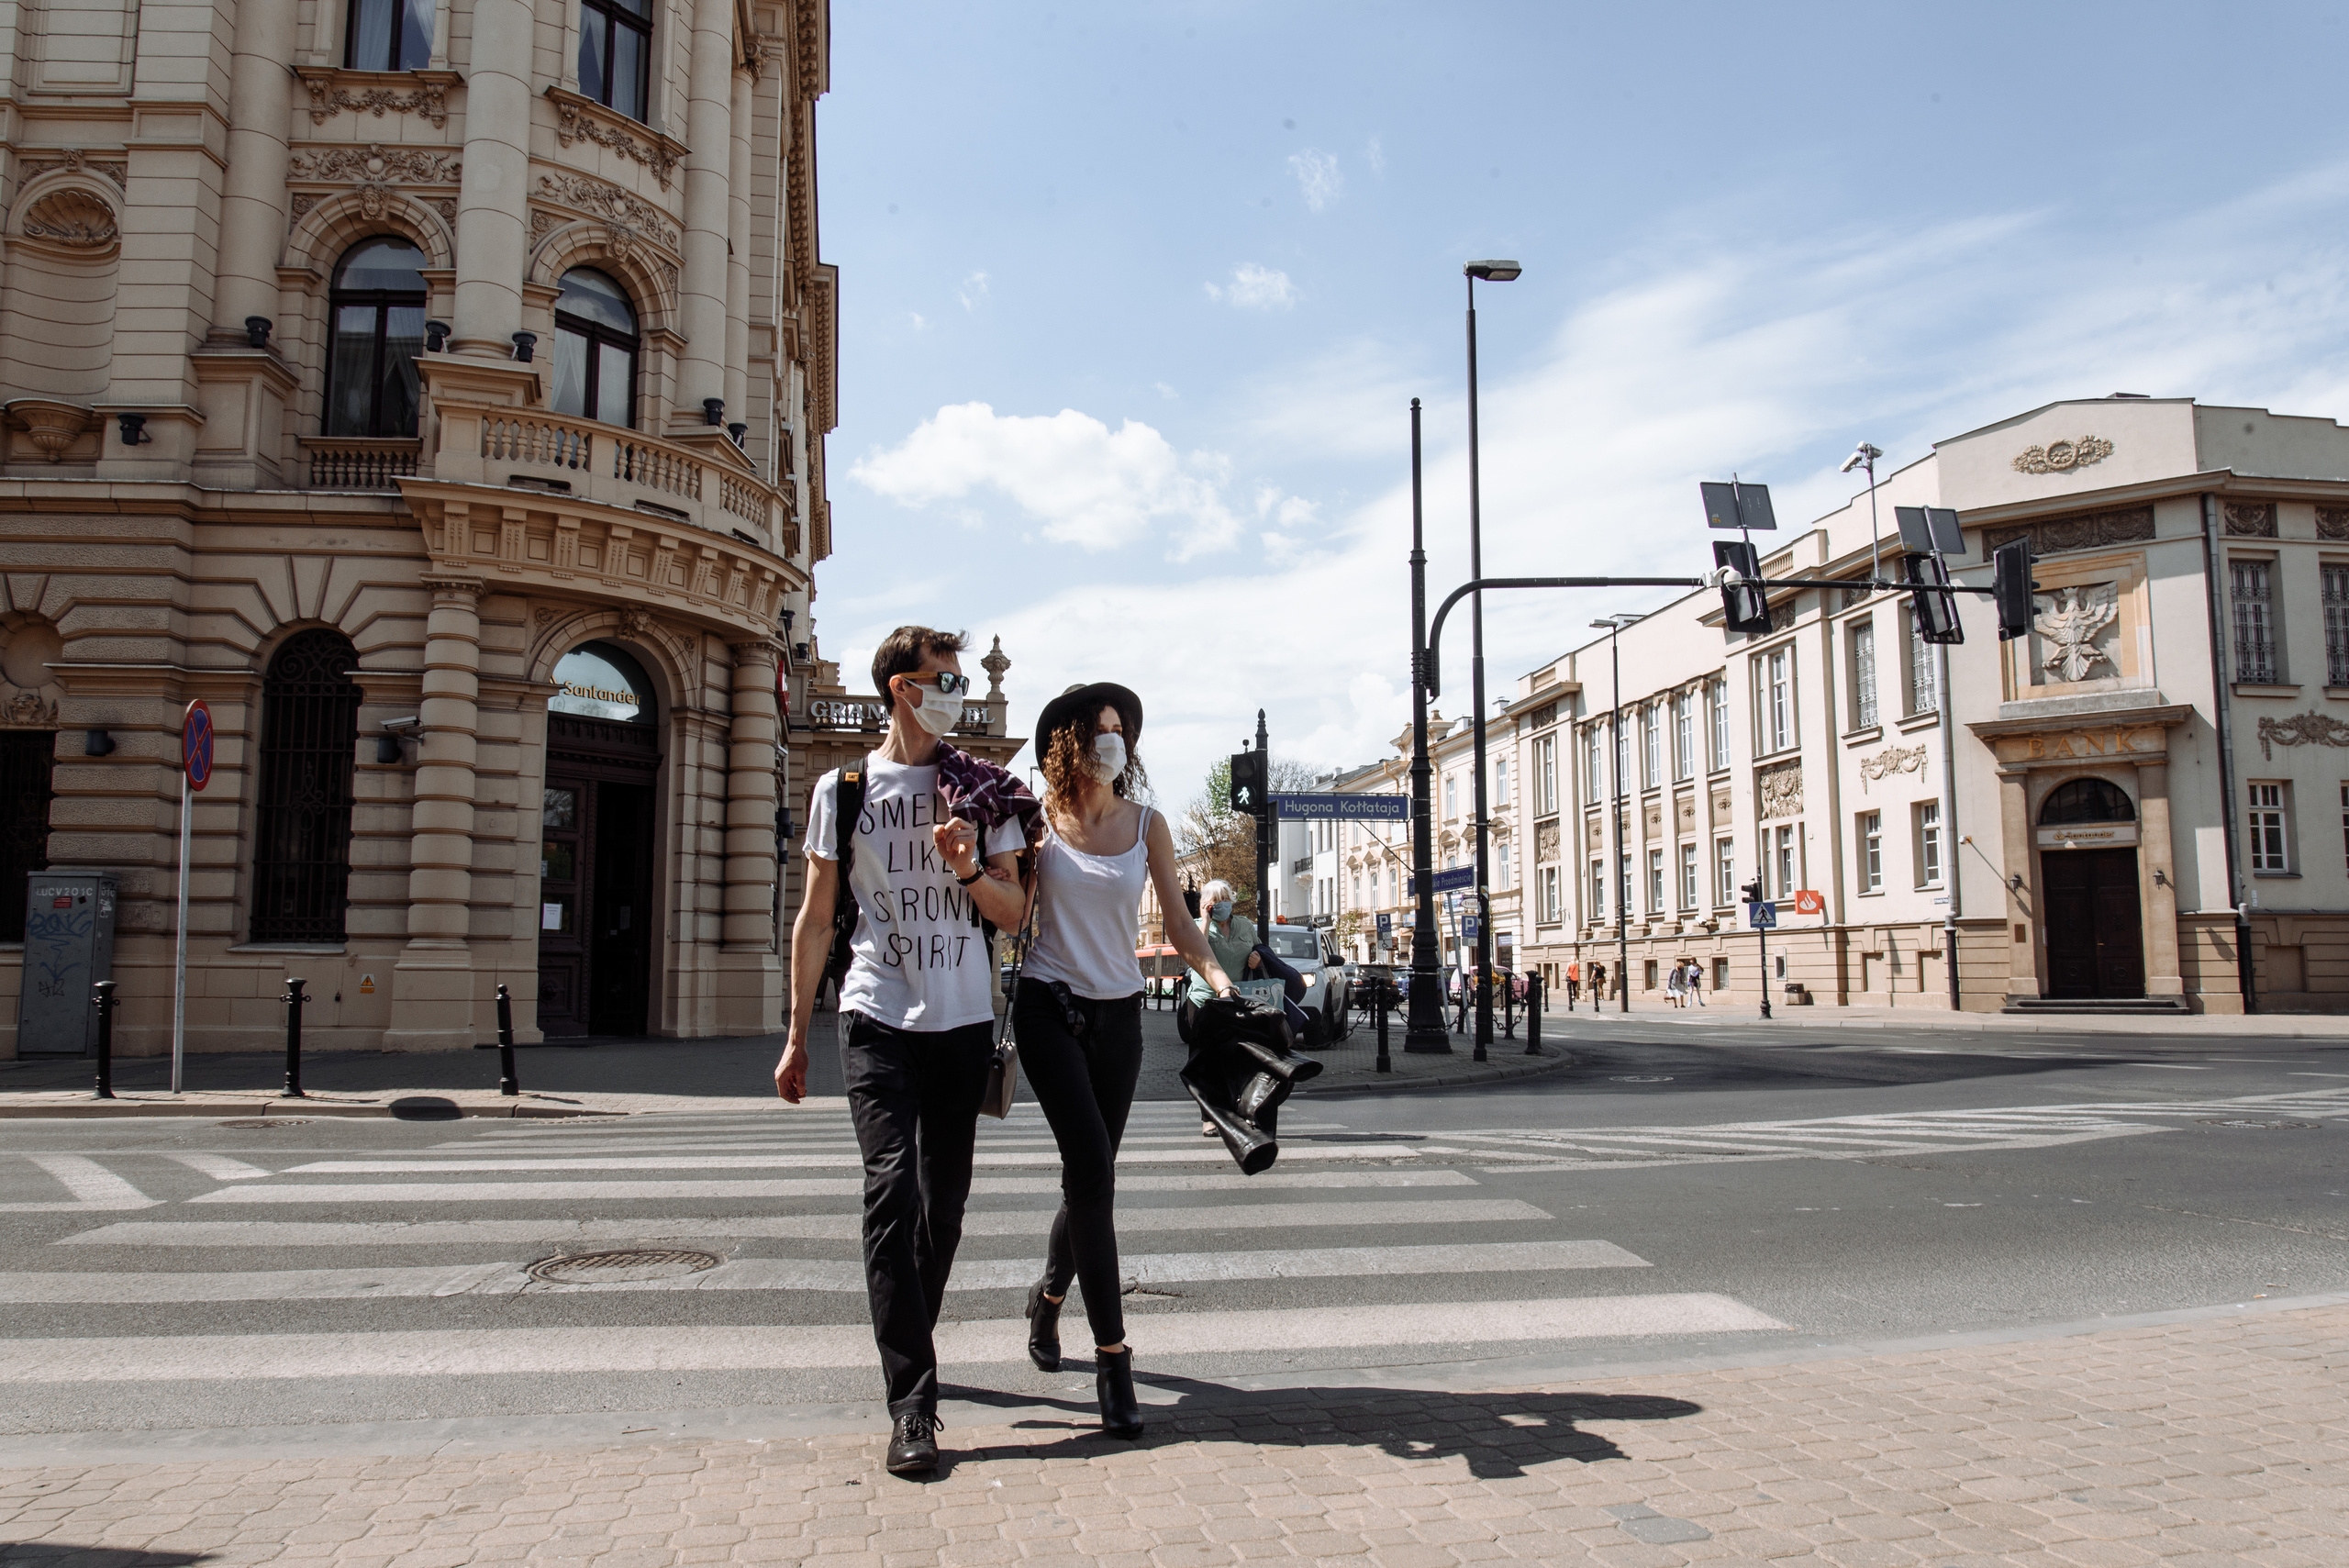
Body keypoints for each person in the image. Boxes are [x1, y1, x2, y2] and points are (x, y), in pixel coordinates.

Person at [772, 626, 1035, 1479]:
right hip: (874, 1012)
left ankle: (910, 1339)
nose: (955, 691)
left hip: (960, 1020)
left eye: (961, 679)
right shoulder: (841, 789)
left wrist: (966, 867)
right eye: (942, 678)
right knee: (890, 1191)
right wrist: (792, 1034)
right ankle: (913, 1402)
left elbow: (1014, 913)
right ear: (900, 688)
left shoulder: (984, 787)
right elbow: (816, 918)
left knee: (943, 1208)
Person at [1016, 683, 1238, 1439]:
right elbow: (1012, 909)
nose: (1114, 741)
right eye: (1100, 730)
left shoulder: (1148, 826)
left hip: (1119, 1018)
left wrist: (1218, 977)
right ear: (1070, 743)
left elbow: (1178, 921)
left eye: (1121, 731)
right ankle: (1114, 1356)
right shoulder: (1037, 820)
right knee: (1092, 1171)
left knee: (1091, 1178)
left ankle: (1047, 1299)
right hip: (1047, 1007)